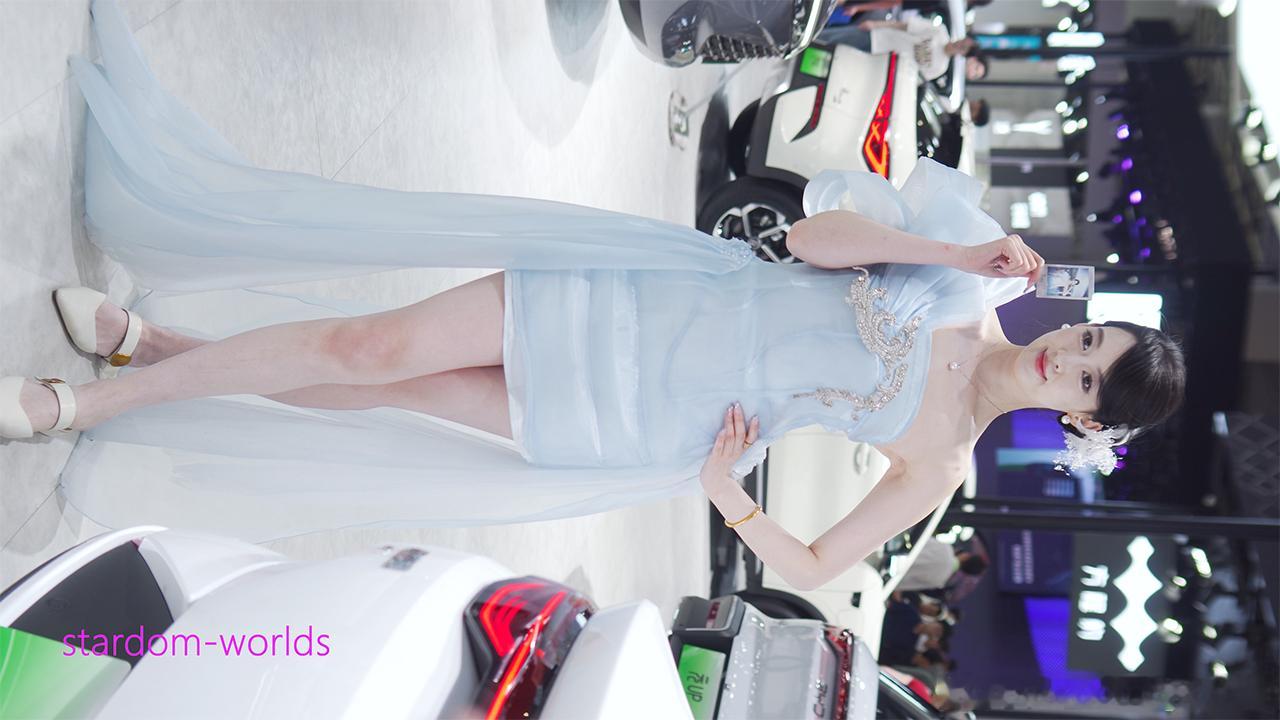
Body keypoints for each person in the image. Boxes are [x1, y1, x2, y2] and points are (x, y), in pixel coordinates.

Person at [1, 2, 1185, 595]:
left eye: (1087, 378)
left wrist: (726, 495)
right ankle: (86, 404)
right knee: (371, 345)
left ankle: (155, 348)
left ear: (1085, 421)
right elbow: (808, 236)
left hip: (644, 421)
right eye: (1088, 336)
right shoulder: (964, 277)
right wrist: (954, 256)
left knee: (381, 392)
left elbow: (813, 564)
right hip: (637, 300)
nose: (1068, 356)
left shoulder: (937, 464)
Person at [819, 16, 988, 82]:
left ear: (963, 55)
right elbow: (905, 25)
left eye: (964, 48)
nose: (960, 45)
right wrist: (875, 24)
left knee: (830, 59)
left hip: (874, 64)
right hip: (876, 37)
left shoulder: (939, 68)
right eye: (964, 42)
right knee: (828, 37)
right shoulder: (939, 31)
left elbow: (910, 79)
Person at [898, 538, 987, 591]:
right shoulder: (940, 582)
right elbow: (904, 585)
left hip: (895, 548)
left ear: (967, 556)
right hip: (893, 571)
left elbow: (918, 539)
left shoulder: (946, 548)